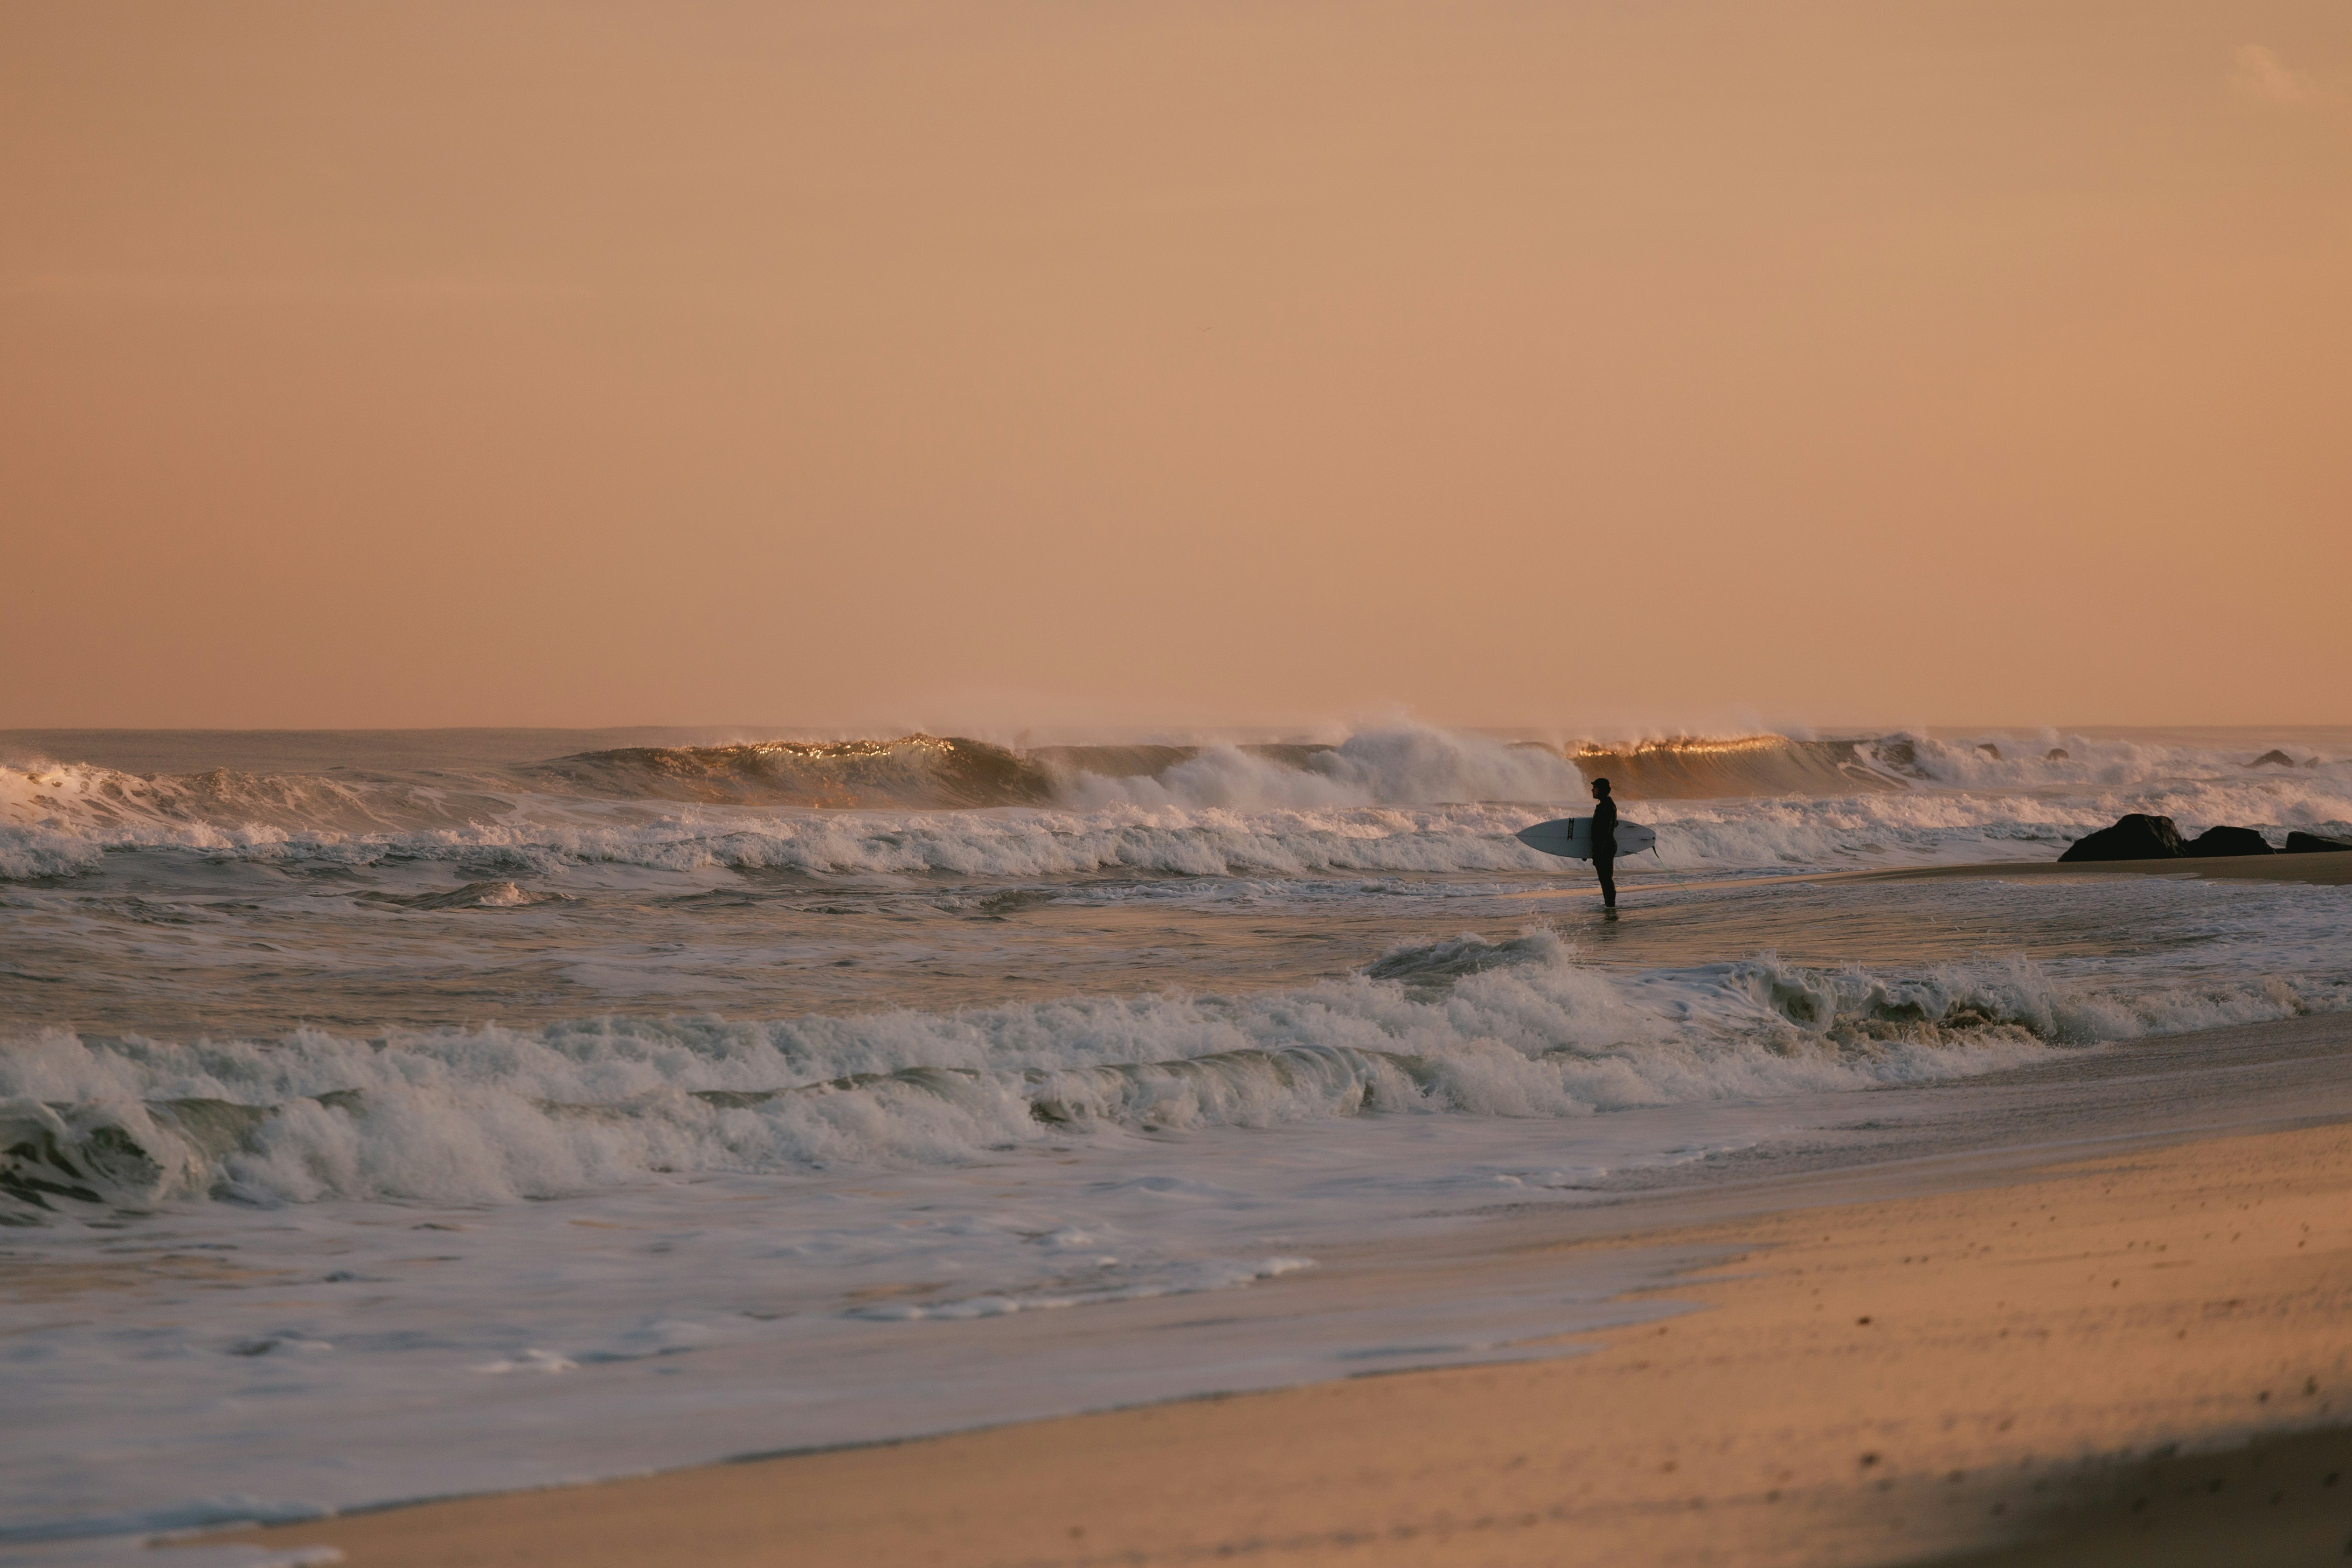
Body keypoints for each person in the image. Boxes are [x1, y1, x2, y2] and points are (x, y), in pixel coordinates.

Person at [1589, 777, 1618, 909]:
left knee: (1606, 878)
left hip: (1605, 847)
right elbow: (1611, 824)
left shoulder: (1607, 807)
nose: (1592, 790)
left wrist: (1598, 851)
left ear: (1601, 790)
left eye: (1595, 788)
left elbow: (1605, 832)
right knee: (1604, 879)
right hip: (1604, 846)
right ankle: (1609, 905)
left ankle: (1611, 906)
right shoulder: (1606, 805)